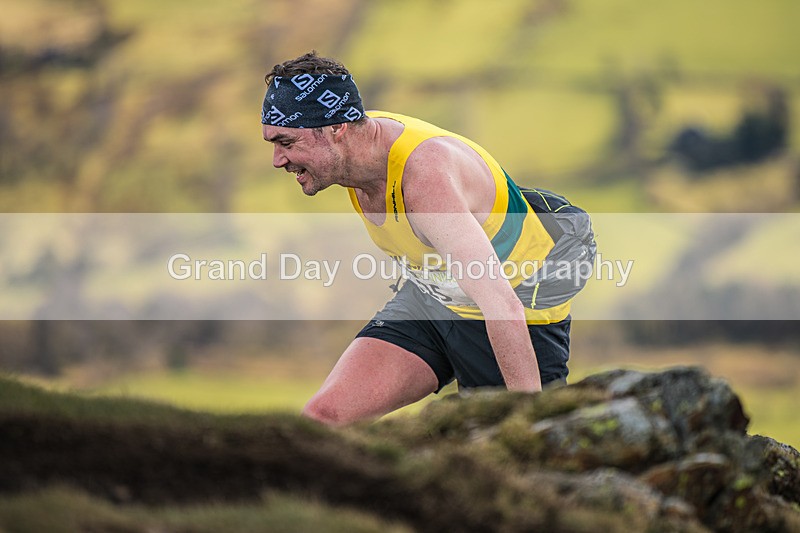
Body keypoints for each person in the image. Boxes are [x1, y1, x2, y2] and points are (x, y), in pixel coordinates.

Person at [261, 51, 595, 426]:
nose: (277, 160)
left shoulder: (425, 178)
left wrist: (528, 427)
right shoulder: (357, 146)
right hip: (433, 298)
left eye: (286, 143)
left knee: (512, 455)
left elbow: (501, 304)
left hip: (512, 313)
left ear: (337, 128)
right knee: (322, 419)